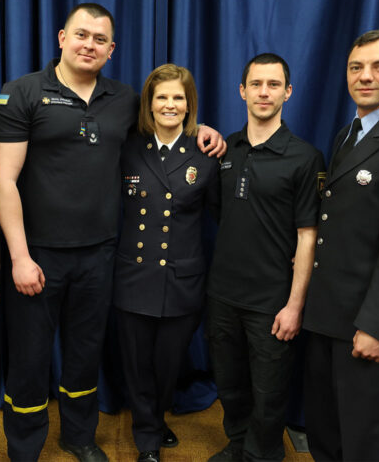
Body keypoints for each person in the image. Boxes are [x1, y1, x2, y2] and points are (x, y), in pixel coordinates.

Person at [0, 3, 225, 462]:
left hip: (100, 255)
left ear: (112, 49)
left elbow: (169, 120)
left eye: (100, 40)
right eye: (81, 35)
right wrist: (19, 256)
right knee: (30, 357)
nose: (89, 45)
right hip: (36, 255)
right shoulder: (22, 93)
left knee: (84, 353)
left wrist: (205, 131)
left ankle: (78, 437)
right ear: (61, 37)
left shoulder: (124, 100)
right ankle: (24, 447)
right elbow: (3, 180)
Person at [206, 53, 325, 462]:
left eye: (273, 84)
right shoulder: (224, 150)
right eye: (256, 84)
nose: (263, 92)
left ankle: (261, 454)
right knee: (230, 384)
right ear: (241, 91)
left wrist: (295, 305)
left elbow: (308, 237)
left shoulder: (305, 157)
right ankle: (237, 444)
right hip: (222, 295)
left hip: (272, 301)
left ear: (287, 92)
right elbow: (223, 214)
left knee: (269, 392)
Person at [303, 30, 379, 461]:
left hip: (366, 323)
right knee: (326, 432)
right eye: (356, 67)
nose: (365, 77)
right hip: (328, 316)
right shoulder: (347, 135)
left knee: (364, 439)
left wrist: (377, 326)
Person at [114, 64, 220, 462]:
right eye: (162, 97)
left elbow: (222, 215)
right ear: (149, 103)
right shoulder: (128, 147)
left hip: (182, 280)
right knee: (138, 366)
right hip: (134, 276)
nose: (170, 105)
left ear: (189, 104)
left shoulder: (206, 153)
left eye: (179, 97)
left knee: (167, 366)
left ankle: (154, 420)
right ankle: (147, 442)